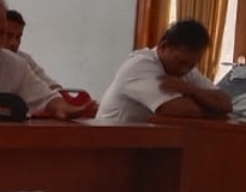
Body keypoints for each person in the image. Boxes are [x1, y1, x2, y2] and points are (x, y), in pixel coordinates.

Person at [97, 19, 233, 122]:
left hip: (143, 146)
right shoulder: (140, 65)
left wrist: (190, 90)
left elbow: (225, 103)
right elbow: (178, 109)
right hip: (109, 144)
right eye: (181, 62)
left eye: (191, 65)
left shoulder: (187, 70)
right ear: (163, 46)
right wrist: (213, 110)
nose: (185, 70)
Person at [4, 10, 62, 89]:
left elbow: (49, 84)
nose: (14, 43)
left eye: (18, 37)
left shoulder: (24, 60)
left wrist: (61, 92)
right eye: (8, 35)